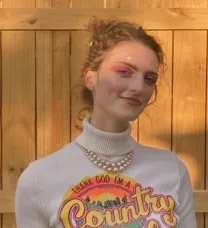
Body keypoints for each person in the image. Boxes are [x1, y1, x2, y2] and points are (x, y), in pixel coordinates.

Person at [15, 18, 197, 228]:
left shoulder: (172, 171)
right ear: (90, 78)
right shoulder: (39, 179)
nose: (138, 86)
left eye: (149, 79)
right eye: (124, 72)